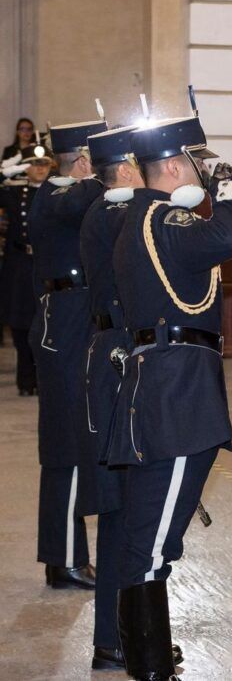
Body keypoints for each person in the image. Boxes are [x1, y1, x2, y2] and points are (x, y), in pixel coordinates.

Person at [108, 115, 232, 680]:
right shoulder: (161, 217)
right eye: (194, 162)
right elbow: (228, 234)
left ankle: (149, 654)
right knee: (154, 537)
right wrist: (229, 183)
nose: (198, 171)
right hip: (176, 393)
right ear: (172, 166)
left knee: (152, 528)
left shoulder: (146, 218)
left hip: (165, 385)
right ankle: (148, 666)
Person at [78, 125, 183, 672]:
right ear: (125, 171)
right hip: (120, 364)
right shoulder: (118, 213)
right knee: (126, 511)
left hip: (118, 357)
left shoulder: (115, 211)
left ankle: (114, 636)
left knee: (127, 512)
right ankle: (117, 638)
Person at [28, 119, 108, 593]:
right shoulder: (56, 196)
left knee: (72, 444)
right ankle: (65, 559)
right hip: (65, 325)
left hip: (77, 319)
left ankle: (63, 556)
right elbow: (88, 197)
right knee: (68, 446)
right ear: (82, 161)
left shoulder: (69, 194)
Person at [0, 146, 48, 395]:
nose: (40, 168)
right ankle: (26, 379)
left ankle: (42, 376)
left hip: (46, 263)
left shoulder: (57, 190)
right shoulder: (15, 191)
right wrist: (6, 170)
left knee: (43, 322)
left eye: (44, 163)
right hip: (19, 263)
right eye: (33, 163)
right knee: (20, 324)